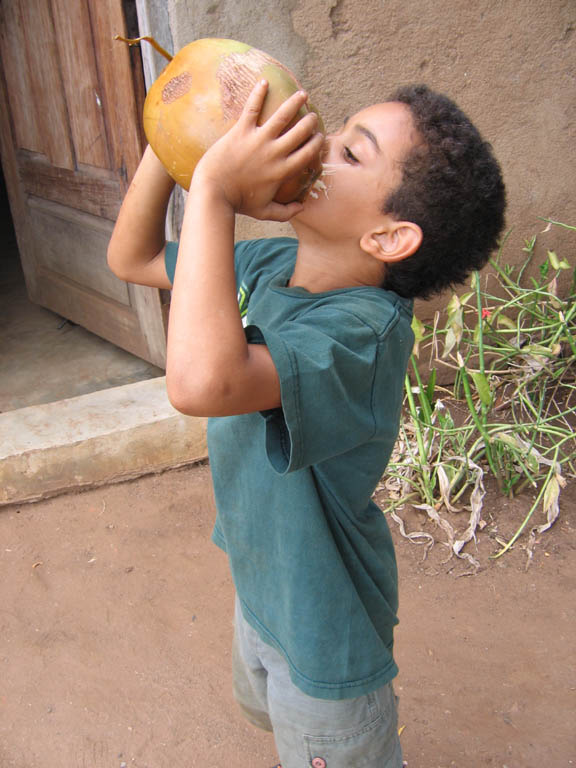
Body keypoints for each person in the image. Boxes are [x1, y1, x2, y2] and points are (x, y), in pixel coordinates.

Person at [108, 80, 505, 768]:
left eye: (351, 151)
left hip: (325, 630)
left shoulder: (359, 337)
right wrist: (171, 136)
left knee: (323, 736)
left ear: (388, 236)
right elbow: (133, 259)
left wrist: (213, 194)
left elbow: (201, 382)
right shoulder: (275, 265)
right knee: (277, 719)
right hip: (267, 588)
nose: (317, 144)